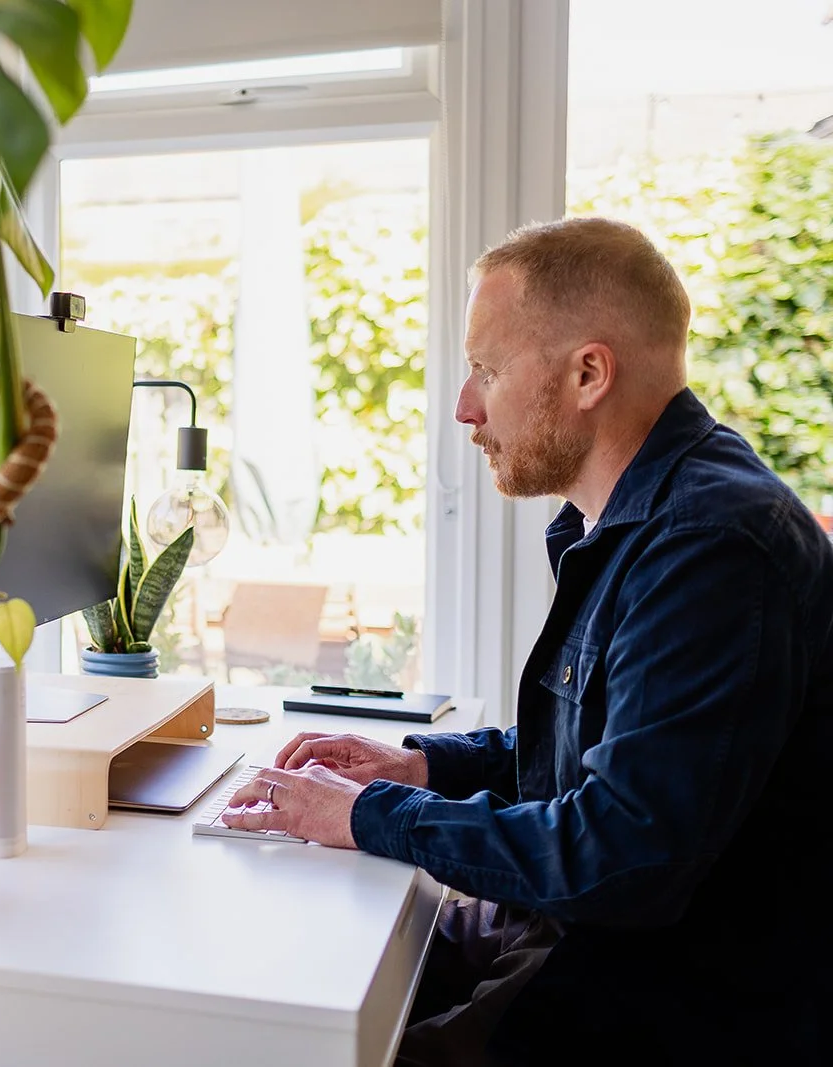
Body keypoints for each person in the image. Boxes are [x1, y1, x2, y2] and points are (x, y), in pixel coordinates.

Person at [221, 217, 833, 1064]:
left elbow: (619, 853)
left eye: (486, 369)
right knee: (280, 978)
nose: (465, 407)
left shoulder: (712, 545)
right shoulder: (629, 520)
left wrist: (368, 813)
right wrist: (420, 767)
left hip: (663, 993)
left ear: (588, 373)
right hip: (584, 942)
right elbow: (597, 755)